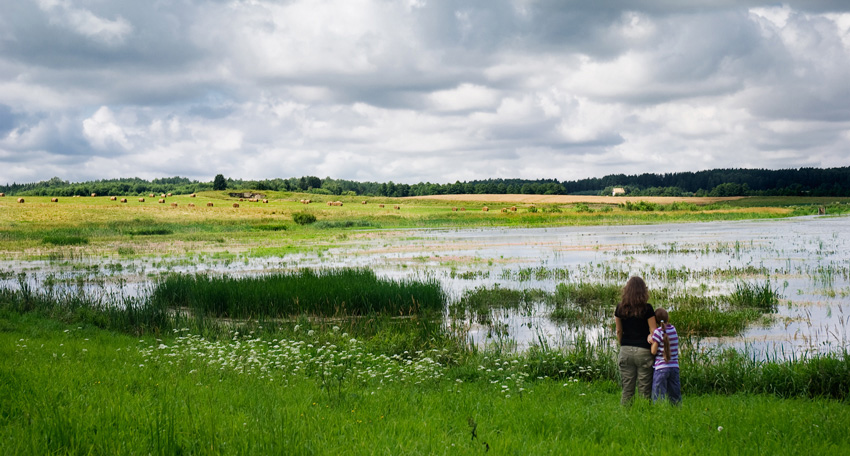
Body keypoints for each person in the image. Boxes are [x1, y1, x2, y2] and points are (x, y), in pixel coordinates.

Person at [614, 276, 657, 405]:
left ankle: (626, 416)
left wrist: (623, 344)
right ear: (643, 291)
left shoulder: (620, 308)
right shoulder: (647, 309)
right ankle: (644, 416)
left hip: (626, 350)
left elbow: (618, 331)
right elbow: (654, 331)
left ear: (626, 290)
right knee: (645, 390)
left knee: (627, 389)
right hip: (644, 351)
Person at [650, 308, 681, 404]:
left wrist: (652, 341)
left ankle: (658, 412)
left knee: (658, 396)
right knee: (675, 395)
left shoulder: (657, 332)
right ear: (668, 318)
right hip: (674, 367)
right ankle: (676, 411)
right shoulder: (673, 329)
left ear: (655, 320)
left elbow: (653, 351)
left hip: (661, 368)